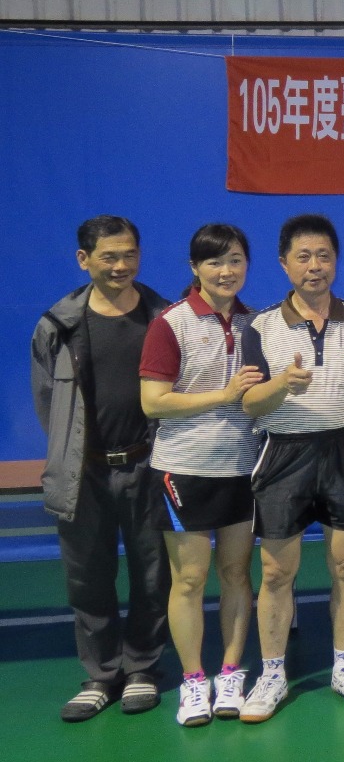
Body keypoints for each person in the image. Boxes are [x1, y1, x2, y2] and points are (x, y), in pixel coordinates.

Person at [239, 214, 344, 722]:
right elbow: (249, 404)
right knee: (276, 571)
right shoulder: (260, 326)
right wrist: (282, 385)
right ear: (284, 264)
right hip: (284, 454)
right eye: (303, 257)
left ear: (336, 261)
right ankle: (272, 674)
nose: (315, 266)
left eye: (324, 255)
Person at [31, 215, 171, 722]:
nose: (120, 265)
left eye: (129, 254)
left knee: (153, 575)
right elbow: (47, 401)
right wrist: (73, 454)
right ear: (83, 259)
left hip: (149, 466)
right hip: (83, 472)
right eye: (109, 256)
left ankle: (142, 669)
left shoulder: (164, 318)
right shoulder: (57, 325)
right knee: (87, 578)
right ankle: (100, 675)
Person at [139, 224, 264, 726]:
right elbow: (153, 402)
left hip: (243, 467)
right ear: (194, 268)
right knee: (189, 579)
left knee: (236, 574)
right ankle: (194, 681)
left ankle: (230, 673)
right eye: (214, 261)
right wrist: (225, 396)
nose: (226, 271)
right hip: (184, 469)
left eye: (235, 260)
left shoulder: (257, 323)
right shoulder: (170, 323)